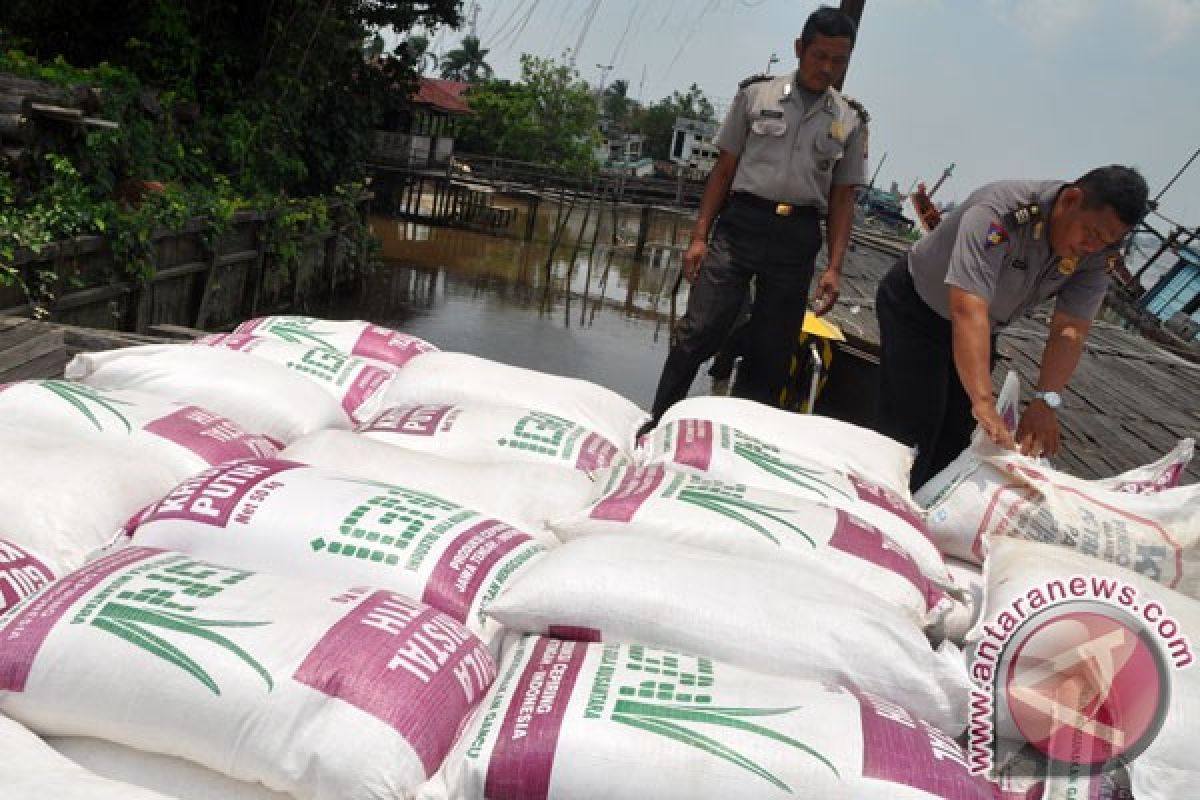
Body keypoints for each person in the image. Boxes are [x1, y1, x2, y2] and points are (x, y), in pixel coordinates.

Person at [641, 5, 868, 433]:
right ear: (800, 49)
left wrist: (835, 268)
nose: (827, 67)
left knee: (772, 351)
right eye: (819, 55)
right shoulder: (755, 96)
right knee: (699, 330)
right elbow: (723, 171)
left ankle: (737, 441)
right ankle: (659, 421)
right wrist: (698, 237)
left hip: (796, 238)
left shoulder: (850, 120)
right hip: (741, 224)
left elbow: (843, 198)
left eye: (838, 60)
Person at [873, 165, 1149, 491]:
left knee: (960, 440)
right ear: (1072, 199)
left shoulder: (1098, 254)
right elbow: (967, 307)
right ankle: (878, 509)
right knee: (913, 429)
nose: (1092, 246)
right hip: (918, 309)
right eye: (1091, 233)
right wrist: (982, 399)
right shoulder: (1001, 213)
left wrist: (1046, 400)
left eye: (1106, 242)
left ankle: (921, 510)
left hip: (981, 329)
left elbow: (1071, 328)